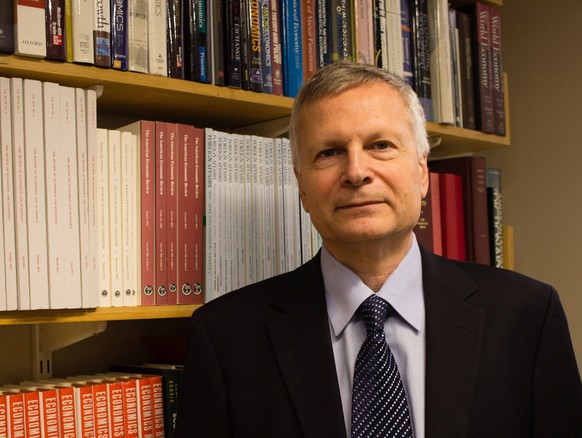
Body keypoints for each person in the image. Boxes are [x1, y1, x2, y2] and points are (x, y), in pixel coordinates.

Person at [175, 62, 581, 437]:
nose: (356, 171)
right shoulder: (225, 338)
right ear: (301, 187)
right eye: (329, 152)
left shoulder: (527, 315)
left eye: (381, 145)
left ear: (421, 172)